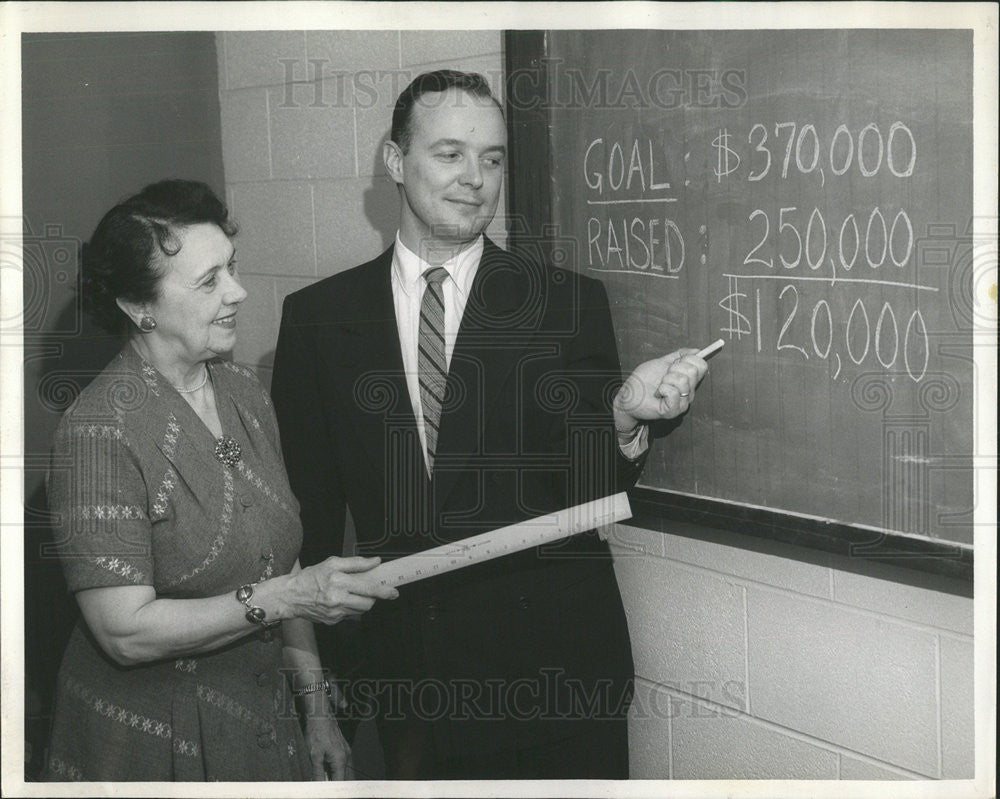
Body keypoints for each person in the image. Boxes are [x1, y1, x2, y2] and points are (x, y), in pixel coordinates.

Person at [270, 71, 708, 779]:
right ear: (394, 161)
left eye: (493, 158)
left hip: (558, 687)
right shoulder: (320, 319)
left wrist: (624, 415)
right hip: (412, 693)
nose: (476, 178)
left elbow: (586, 489)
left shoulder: (565, 304)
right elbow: (306, 529)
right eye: (450, 154)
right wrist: (317, 704)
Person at [42, 180, 397, 782]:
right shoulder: (97, 433)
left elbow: (281, 564)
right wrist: (286, 598)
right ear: (139, 306)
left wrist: (316, 714)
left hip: (263, 723)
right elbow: (124, 632)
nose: (238, 292)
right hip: (151, 741)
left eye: (231, 268)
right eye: (210, 282)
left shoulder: (243, 393)